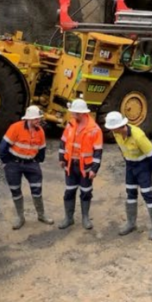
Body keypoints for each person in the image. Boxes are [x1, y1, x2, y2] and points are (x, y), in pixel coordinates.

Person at [103, 111, 152, 241]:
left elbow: (151, 154)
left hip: (143, 167)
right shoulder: (117, 134)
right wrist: (128, 162)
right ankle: (131, 223)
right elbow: (122, 149)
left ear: (119, 126)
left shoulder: (138, 135)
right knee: (130, 193)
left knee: (147, 194)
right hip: (130, 166)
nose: (111, 130)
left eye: (112, 128)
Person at [0, 105, 53, 230]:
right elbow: (3, 147)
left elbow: (42, 150)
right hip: (14, 164)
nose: (38, 120)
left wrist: (36, 161)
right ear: (28, 119)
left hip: (31, 164)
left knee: (37, 189)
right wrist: (7, 162)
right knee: (15, 190)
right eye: (36, 119)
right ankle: (20, 217)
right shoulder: (15, 128)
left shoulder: (40, 131)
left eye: (39, 118)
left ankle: (41, 215)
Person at [59, 98, 103, 230]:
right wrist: (61, 158)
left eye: (75, 113)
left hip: (85, 168)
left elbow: (98, 151)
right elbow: (63, 141)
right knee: (69, 192)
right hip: (71, 166)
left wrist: (94, 169)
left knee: (86, 193)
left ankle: (85, 218)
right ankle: (69, 218)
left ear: (83, 113)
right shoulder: (70, 124)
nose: (73, 115)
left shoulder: (94, 129)